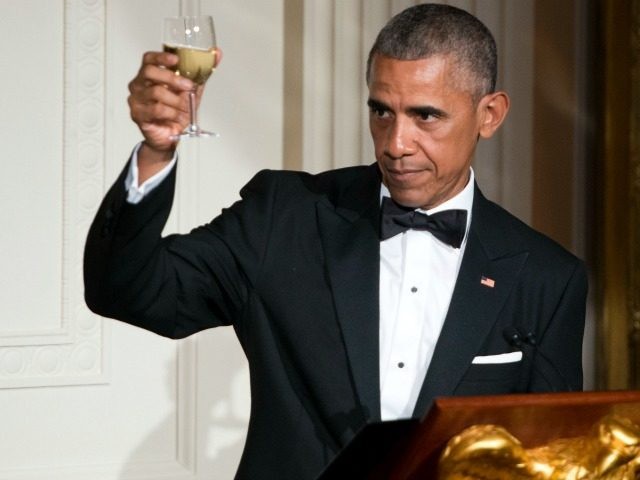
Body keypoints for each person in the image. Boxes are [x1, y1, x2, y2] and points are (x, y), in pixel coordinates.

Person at [84, 4, 587, 479]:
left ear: (490, 114)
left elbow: (550, 458)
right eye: (382, 112)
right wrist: (155, 152)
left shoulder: (545, 277)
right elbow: (127, 289)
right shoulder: (284, 218)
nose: (395, 143)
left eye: (426, 116)